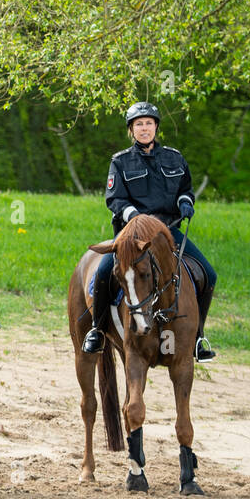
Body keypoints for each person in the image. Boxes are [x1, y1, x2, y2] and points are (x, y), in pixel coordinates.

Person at [83, 101, 218, 361]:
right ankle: (97, 330)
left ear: (156, 127)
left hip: (167, 234)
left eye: (148, 123)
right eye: (138, 125)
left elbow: (185, 189)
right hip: (131, 236)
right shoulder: (120, 162)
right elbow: (114, 199)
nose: (144, 128)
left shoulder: (174, 158)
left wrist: (185, 202)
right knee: (102, 272)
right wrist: (134, 216)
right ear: (131, 130)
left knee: (208, 274)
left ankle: (198, 336)